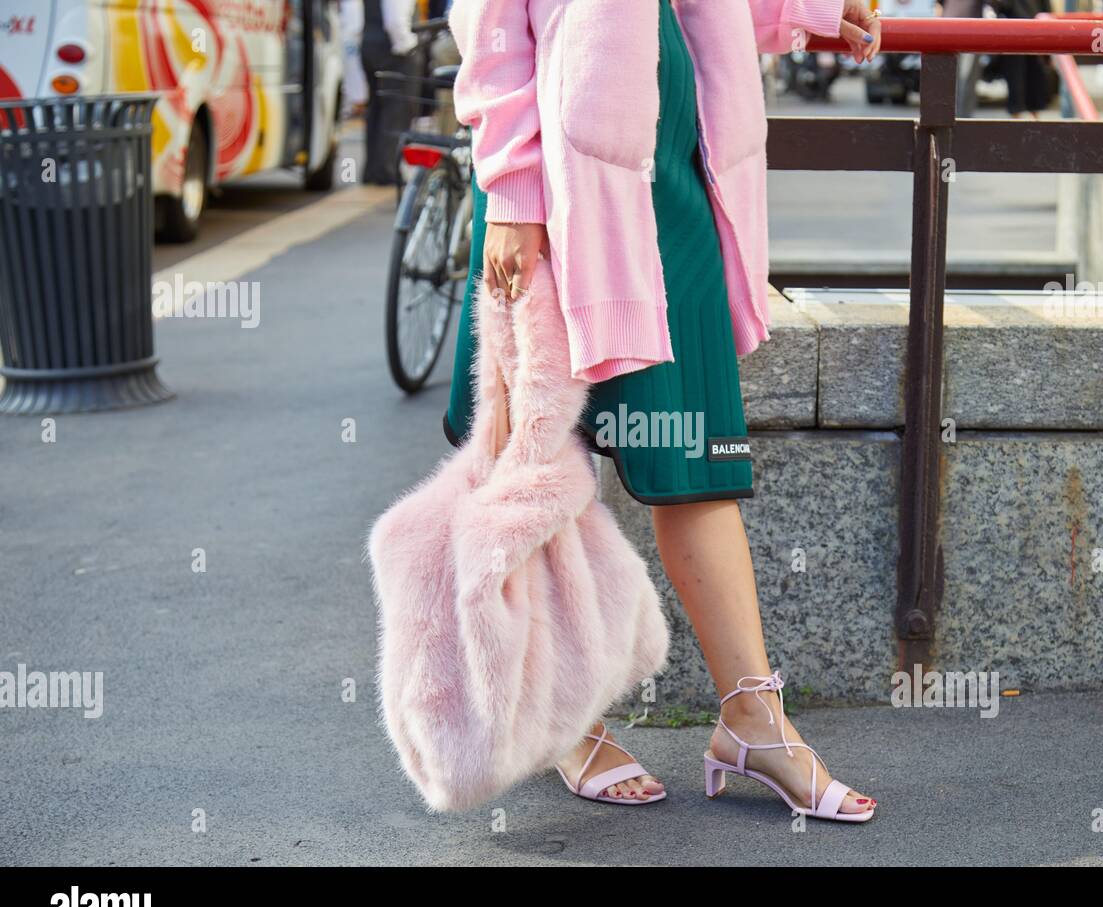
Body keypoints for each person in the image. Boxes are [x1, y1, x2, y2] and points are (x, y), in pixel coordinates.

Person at [443, 0, 882, 821]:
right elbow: (492, 28)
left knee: (698, 460)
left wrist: (811, 11)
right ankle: (563, 717)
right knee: (543, 462)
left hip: (676, 177)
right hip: (557, 191)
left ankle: (753, 717)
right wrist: (512, 193)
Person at [360, 0, 418, 185]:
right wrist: (409, 45)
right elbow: (395, 19)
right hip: (392, 49)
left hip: (370, 43)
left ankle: (372, 169)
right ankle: (388, 170)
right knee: (396, 111)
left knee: (376, 111)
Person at [942, 0, 987, 118]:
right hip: (970, 29)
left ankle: (952, 117)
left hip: (947, 27)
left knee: (952, 79)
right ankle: (962, 119)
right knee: (965, 80)